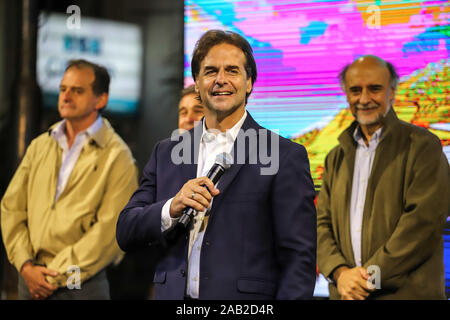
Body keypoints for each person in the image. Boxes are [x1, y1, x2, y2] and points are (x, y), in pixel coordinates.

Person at [116, 30, 317, 300]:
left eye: (232, 70)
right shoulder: (167, 152)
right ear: (197, 84)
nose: (221, 80)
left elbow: (299, 260)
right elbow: (126, 230)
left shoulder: (284, 155)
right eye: (210, 71)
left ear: (249, 83)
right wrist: (171, 207)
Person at [1, 59, 138, 300]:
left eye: (77, 90)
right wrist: (25, 265)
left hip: (80, 285)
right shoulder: (41, 145)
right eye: (64, 89)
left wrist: (52, 276)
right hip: (30, 280)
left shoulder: (118, 156)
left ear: (101, 99)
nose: (66, 96)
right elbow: (11, 208)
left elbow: (110, 232)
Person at [316, 55, 449, 300]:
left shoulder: (423, 146)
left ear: (392, 92)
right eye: (356, 90)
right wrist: (340, 273)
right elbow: (321, 224)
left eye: (374, 89)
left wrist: (366, 278)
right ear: (347, 96)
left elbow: (423, 224)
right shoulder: (336, 157)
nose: (364, 99)